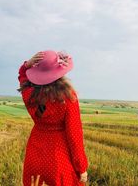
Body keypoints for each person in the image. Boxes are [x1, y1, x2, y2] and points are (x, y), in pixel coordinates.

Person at [18, 50, 88, 186]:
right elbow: (74, 135)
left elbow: (22, 77)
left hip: (34, 156)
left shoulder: (28, 94)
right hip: (58, 159)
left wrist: (27, 65)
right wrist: (81, 167)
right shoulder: (68, 97)